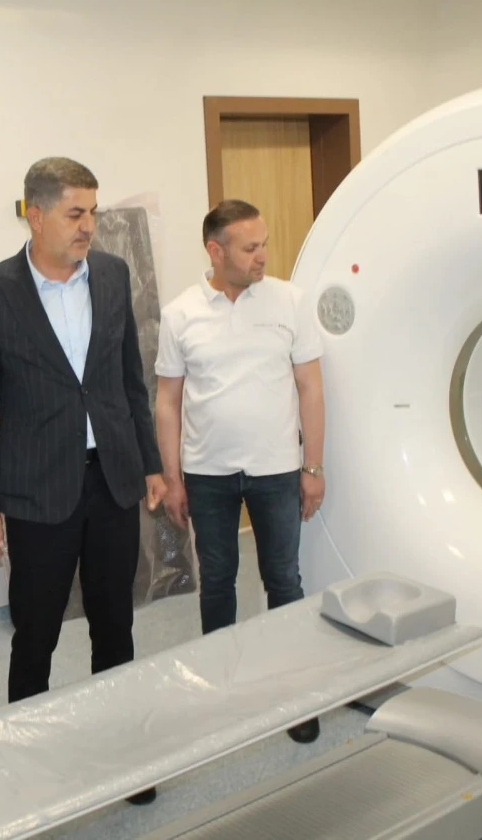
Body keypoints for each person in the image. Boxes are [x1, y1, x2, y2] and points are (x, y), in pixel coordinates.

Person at [0, 157, 166, 804]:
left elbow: (130, 379)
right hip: (36, 491)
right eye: (76, 213)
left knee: (115, 626)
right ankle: (26, 763)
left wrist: (151, 462)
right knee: (36, 634)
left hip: (111, 482)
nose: (88, 226)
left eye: (93, 212)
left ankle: (123, 756)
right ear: (36, 214)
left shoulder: (111, 274)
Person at [154, 199, 326, 744]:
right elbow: (167, 401)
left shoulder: (290, 301)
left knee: (284, 580)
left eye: (264, 244)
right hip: (208, 473)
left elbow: (310, 387)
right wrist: (172, 477)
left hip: (277, 469)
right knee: (218, 581)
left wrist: (313, 465)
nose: (263, 256)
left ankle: (294, 694)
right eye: (251, 247)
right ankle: (220, 688)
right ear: (215, 250)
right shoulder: (181, 314)